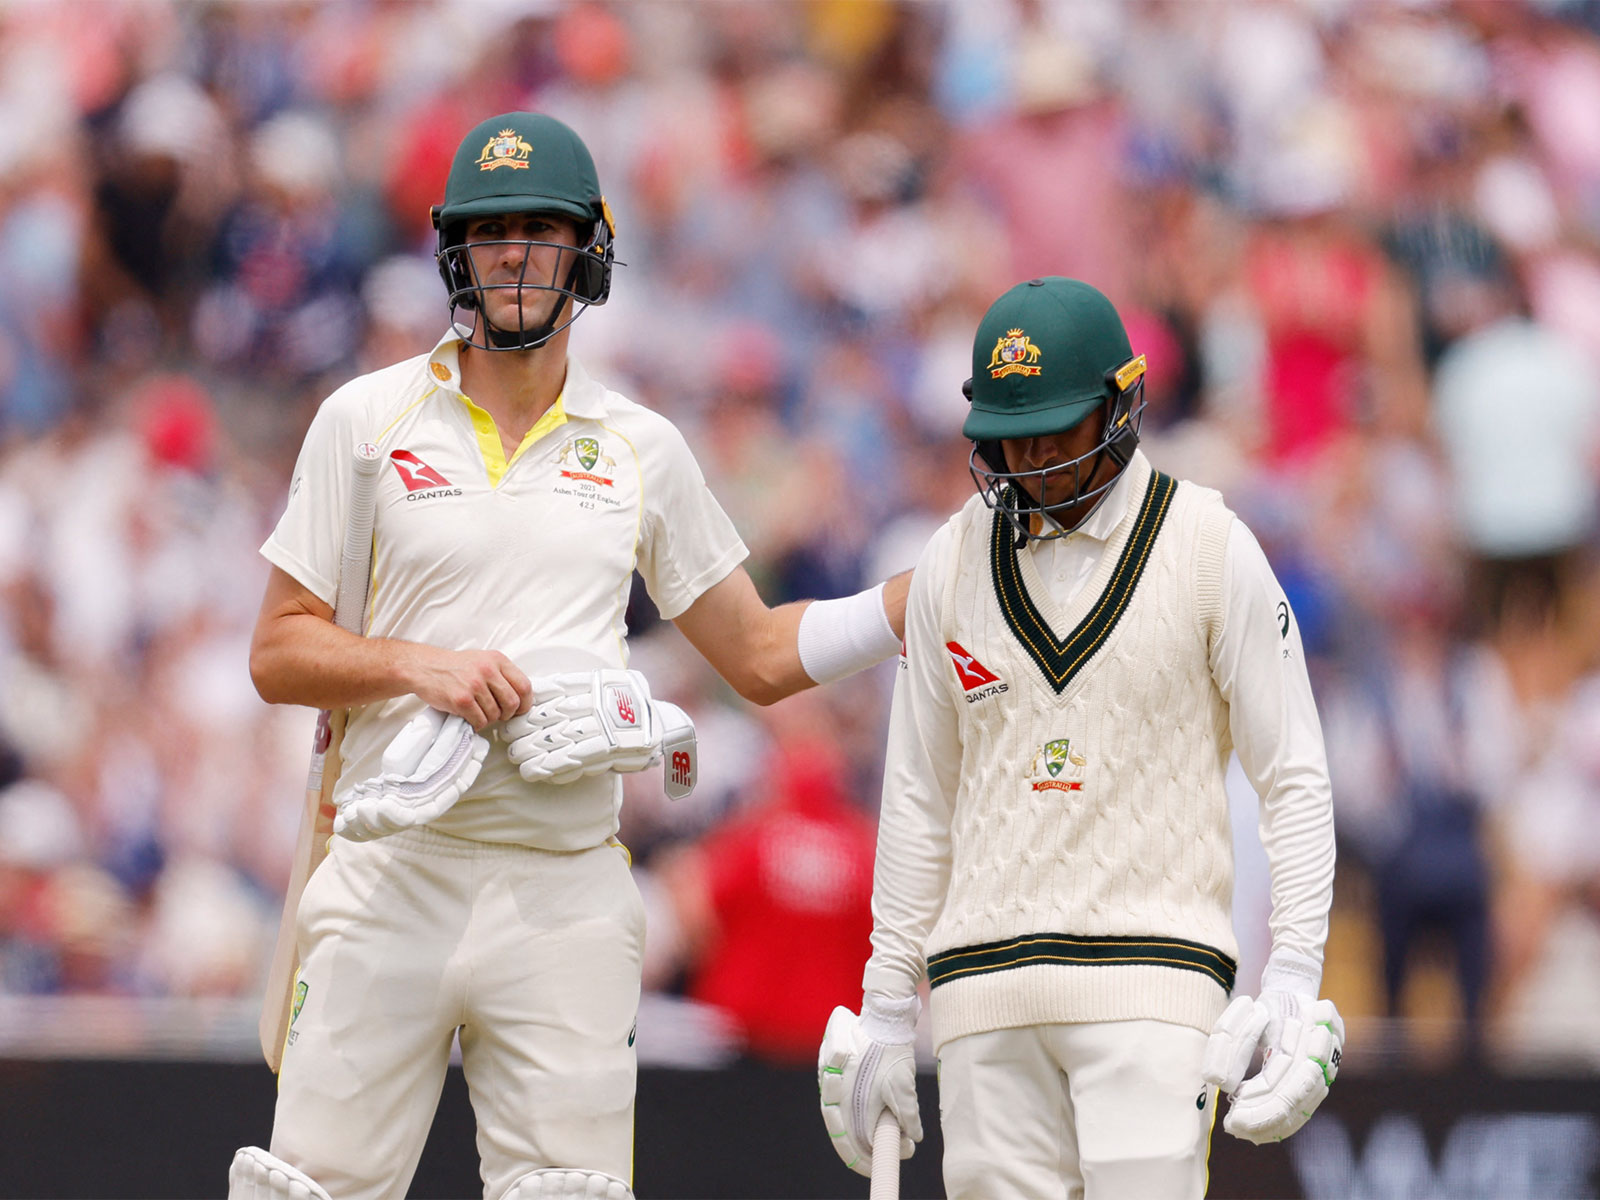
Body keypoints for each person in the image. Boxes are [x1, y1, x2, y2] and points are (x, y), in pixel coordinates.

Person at [227, 112, 907, 1200]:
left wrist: (904, 605)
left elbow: (760, 655)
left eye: (538, 232)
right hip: (389, 867)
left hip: (562, 889)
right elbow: (277, 651)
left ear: (588, 247)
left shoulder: (639, 447)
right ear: (454, 249)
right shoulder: (364, 420)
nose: (512, 256)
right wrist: (421, 666)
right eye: (490, 233)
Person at [817, 277, 1344, 1199]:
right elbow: (916, 796)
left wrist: (1295, 971)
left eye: (1057, 429)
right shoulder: (948, 560)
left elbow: (1292, 773)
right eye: (1011, 436)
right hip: (982, 995)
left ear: (1123, 402)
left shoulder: (1211, 547)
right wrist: (888, 1004)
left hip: (1156, 981)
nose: (1033, 458)